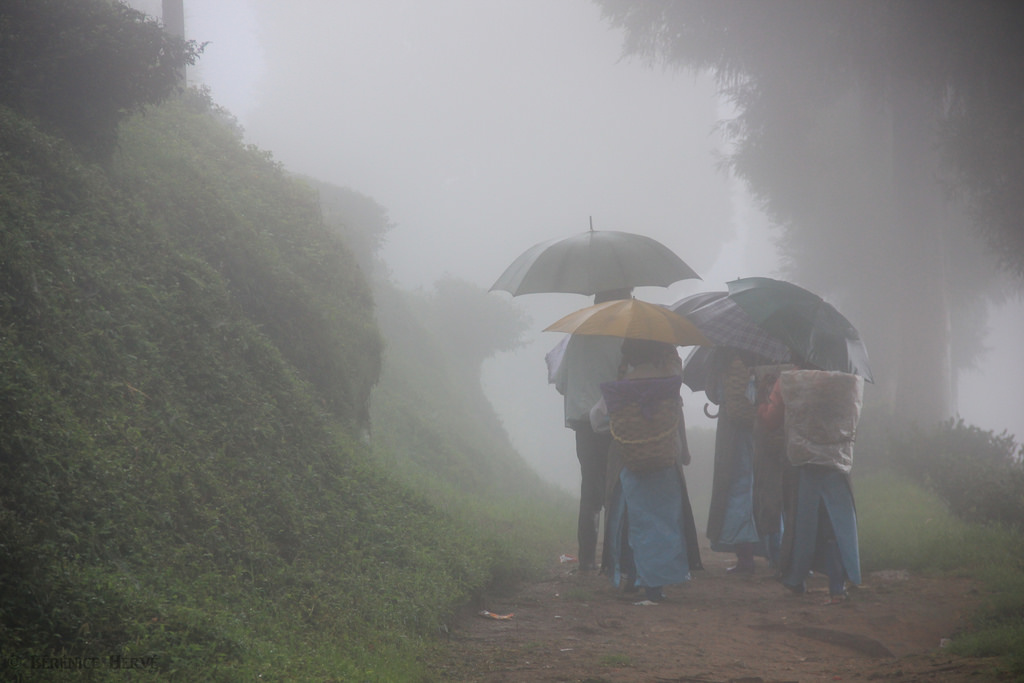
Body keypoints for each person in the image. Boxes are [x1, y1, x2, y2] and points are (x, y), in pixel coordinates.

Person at [590, 338, 702, 604]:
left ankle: (634, 576)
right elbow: (677, 418)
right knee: (663, 522)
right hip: (664, 460)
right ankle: (656, 586)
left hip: (631, 461)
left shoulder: (620, 389)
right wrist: (683, 449)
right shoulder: (669, 384)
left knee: (635, 521)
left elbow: (596, 420)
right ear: (657, 355)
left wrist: (623, 425)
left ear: (628, 357)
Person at [758, 366, 863, 603]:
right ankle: (838, 586)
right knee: (837, 525)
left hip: (804, 463)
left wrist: (762, 400)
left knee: (803, 524)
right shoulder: (848, 381)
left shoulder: (790, 381)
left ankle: (797, 579)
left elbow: (772, 420)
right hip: (838, 462)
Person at [551, 288, 632, 570]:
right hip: (614, 422)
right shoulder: (624, 338)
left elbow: (562, 383)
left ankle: (586, 562)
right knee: (616, 489)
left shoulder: (577, 336)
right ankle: (612, 563)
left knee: (590, 489)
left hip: (583, 422)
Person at [705, 348, 772, 574]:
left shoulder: (725, 359)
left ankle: (745, 557)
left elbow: (713, 394)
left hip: (732, 434)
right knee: (765, 488)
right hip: (764, 429)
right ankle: (774, 552)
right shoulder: (767, 357)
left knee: (737, 489)